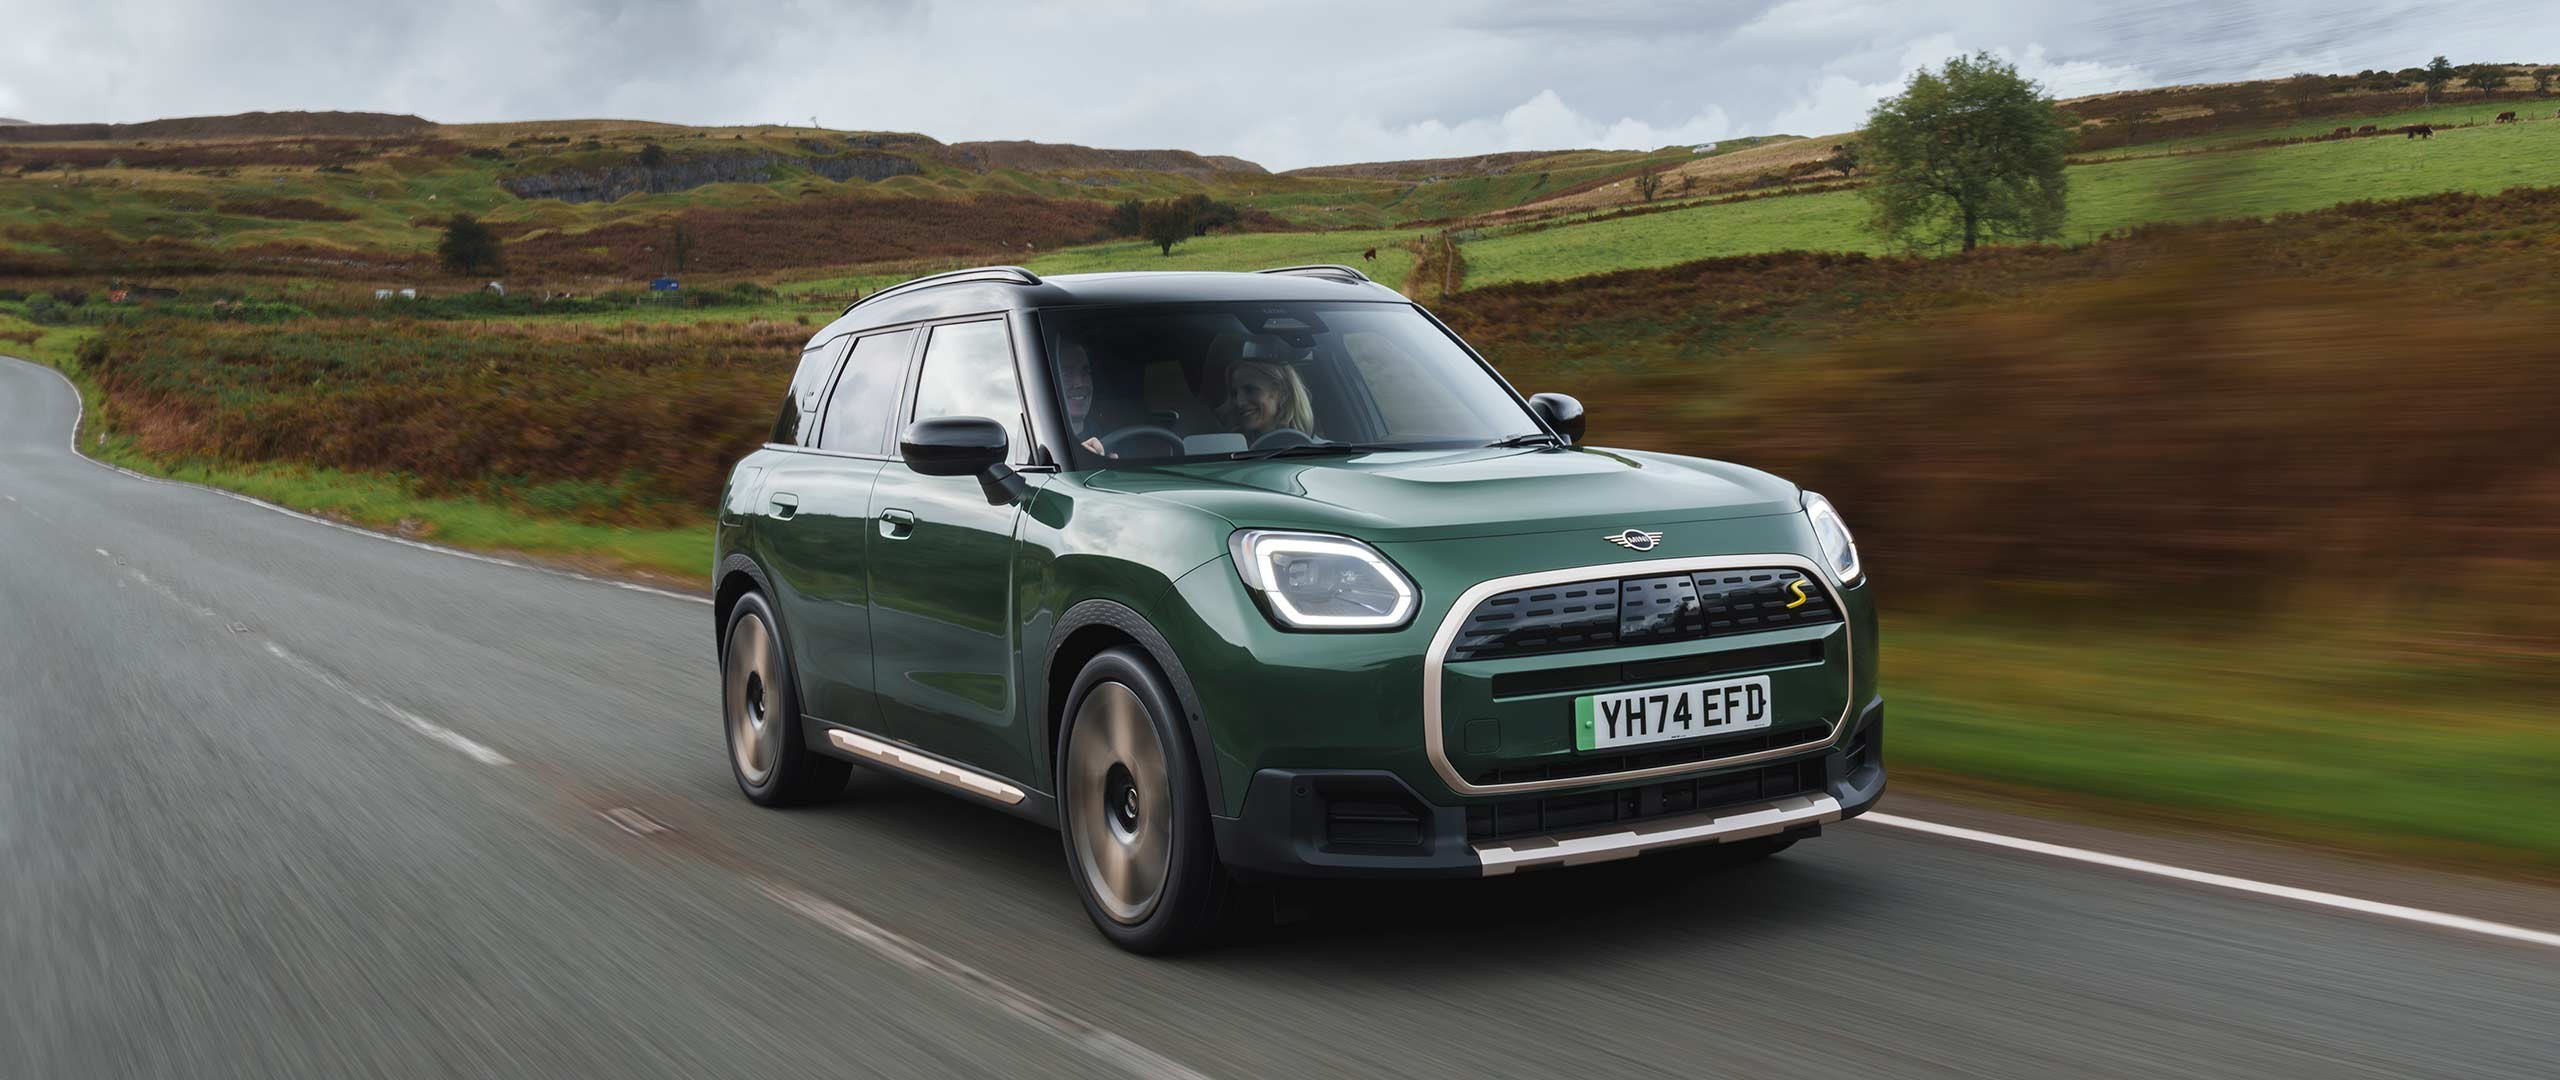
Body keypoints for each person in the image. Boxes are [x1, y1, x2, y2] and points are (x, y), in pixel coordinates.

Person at [1219, 340, 1317, 444]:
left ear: (1281, 392)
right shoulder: (1227, 450)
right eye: (1234, 393)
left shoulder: (1324, 452)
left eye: (1250, 390)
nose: (1239, 402)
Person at [1055, 341, 1106, 457]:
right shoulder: (1041, 449)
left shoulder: (1108, 437)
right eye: (1066, 374)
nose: (1079, 383)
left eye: (1085, 372)